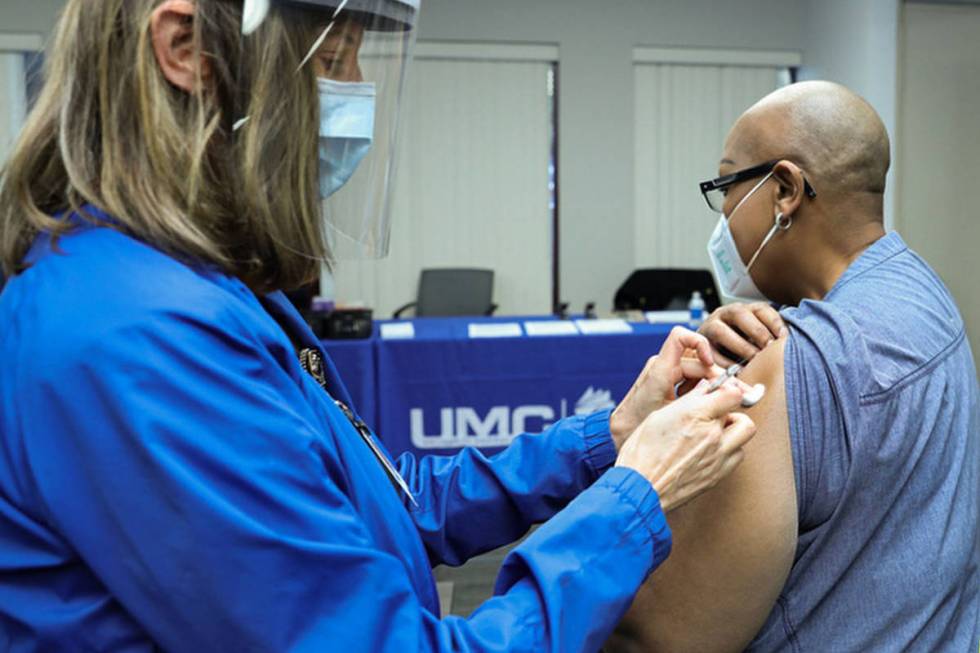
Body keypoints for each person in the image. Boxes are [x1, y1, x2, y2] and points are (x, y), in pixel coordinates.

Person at [0, 1, 759, 650]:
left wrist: (612, 436)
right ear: (187, 49)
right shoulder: (141, 337)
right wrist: (638, 495)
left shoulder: (193, 289)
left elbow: (388, 508)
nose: (355, 90)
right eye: (333, 55)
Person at [607, 81, 979, 652]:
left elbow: (662, 638)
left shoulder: (793, 364)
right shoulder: (921, 293)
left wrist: (636, 469)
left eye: (727, 186)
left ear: (784, 190)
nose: (724, 215)